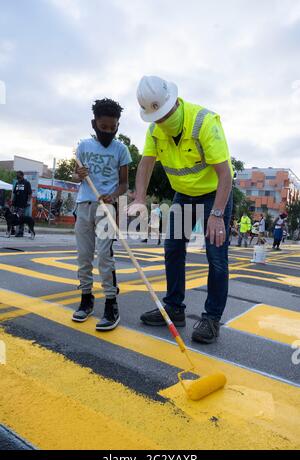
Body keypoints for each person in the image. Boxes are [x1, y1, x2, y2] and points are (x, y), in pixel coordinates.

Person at [129, 75, 233, 344]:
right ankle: (174, 308)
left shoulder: (204, 122)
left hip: (214, 192)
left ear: (175, 103)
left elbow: (225, 174)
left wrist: (217, 215)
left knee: (216, 255)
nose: (163, 122)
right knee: (173, 247)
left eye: (165, 115)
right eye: (157, 118)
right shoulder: (154, 130)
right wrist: (140, 197)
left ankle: (211, 319)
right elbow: (146, 164)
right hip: (184, 194)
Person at [72, 98, 132, 330]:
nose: (108, 131)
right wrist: (79, 174)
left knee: (105, 256)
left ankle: (111, 304)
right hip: (84, 205)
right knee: (84, 256)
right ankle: (86, 299)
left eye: (112, 128)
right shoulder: (84, 147)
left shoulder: (121, 150)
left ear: (117, 126)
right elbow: (77, 177)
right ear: (94, 123)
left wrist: (114, 196)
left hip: (106, 207)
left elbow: (124, 184)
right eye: (103, 127)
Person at [11, 171, 32, 237]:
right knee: (13, 217)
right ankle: (13, 230)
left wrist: (28, 202)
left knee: (20, 218)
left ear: (22, 175)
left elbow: (30, 194)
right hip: (15, 203)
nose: (17, 176)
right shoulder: (17, 183)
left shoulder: (27, 183)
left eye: (18, 175)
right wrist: (12, 201)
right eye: (17, 175)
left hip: (22, 204)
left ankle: (20, 232)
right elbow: (14, 193)